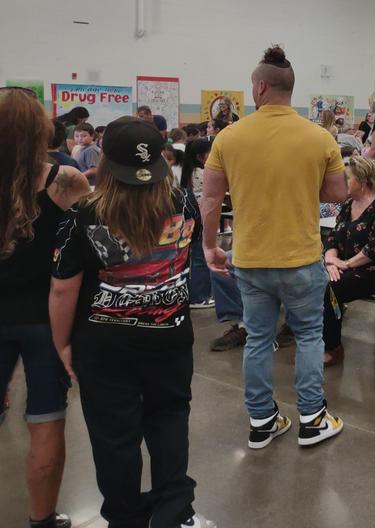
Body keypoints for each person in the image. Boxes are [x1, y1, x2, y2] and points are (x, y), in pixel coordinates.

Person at [49, 117, 216, 528]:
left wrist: (62, 344)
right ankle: (173, 512)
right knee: (170, 419)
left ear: (106, 164)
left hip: (105, 345)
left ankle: (125, 517)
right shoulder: (183, 202)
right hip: (169, 337)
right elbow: (188, 251)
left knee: (113, 434)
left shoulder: (83, 215)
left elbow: (63, 290)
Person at [200, 46, 347, 449]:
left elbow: (210, 199)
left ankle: (262, 420)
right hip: (301, 259)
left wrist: (210, 247)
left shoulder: (228, 137)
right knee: (310, 336)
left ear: (261, 87)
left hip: (250, 260)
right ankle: (312, 419)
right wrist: (302, 184)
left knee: (258, 339)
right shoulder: (319, 137)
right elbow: (338, 192)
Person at [1, 88, 90, 528]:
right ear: (42, 133)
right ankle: (42, 520)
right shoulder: (65, 180)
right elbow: (93, 242)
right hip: (47, 320)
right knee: (46, 422)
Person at [322, 156, 375, 366]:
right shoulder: (348, 204)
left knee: (332, 289)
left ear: (362, 182)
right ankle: (308, 336)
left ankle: (333, 347)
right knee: (312, 279)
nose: (342, 183)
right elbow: (333, 237)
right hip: (346, 268)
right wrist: (331, 260)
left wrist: (345, 264)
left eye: (347, 179)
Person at [181, 139, 214, 309]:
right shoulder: (203, 173)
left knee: (195, 257)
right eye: (210, 153)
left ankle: (195, 294)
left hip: (190, 219)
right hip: (202, 220)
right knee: (201, 258)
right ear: (200, 157)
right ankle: (199, 296)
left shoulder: (188, 172)